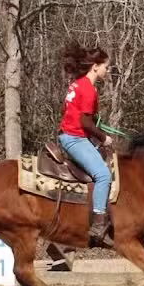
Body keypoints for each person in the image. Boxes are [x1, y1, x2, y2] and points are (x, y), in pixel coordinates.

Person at [58, 40, 115, 247]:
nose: (107, 71)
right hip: (74, 138)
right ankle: (99, 223)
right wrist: (104, 138)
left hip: (71, 135)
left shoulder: (78, 83)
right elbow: (84, 121)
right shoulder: (88, 89)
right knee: (103, 175)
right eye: (106, 67)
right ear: (96, 66)